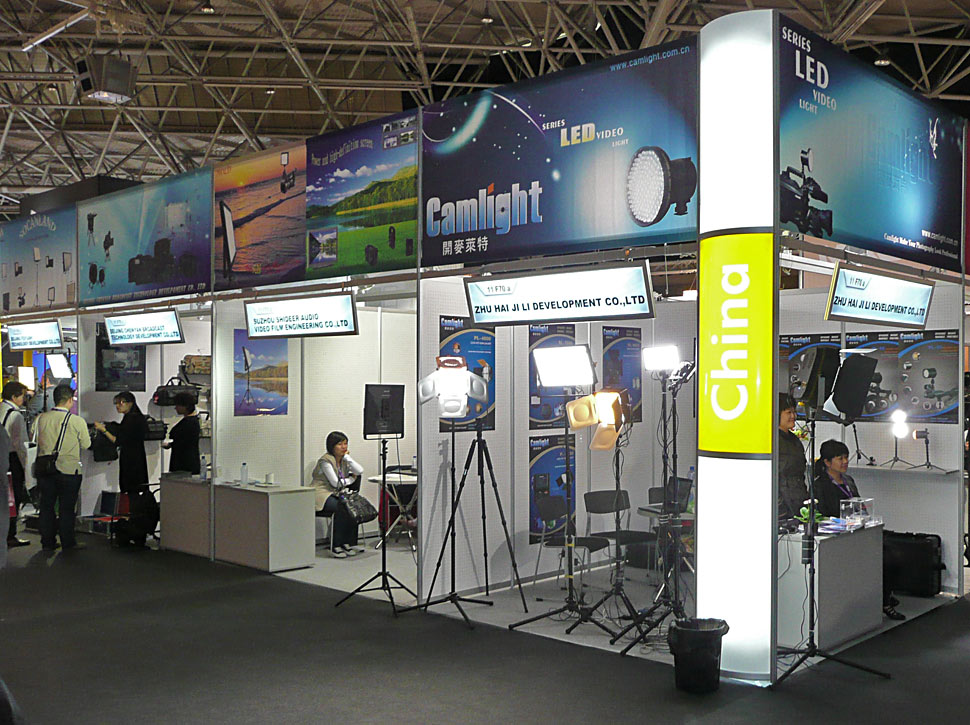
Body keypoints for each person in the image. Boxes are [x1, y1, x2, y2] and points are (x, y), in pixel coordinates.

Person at [813, 439, 905, 621]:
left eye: (846, 457)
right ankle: (884, 601)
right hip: (838, 537)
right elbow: (822, 514)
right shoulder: (819, 485)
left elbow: (859, 505)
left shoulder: (848, 480)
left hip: (858, 531)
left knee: (893, 556)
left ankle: (884, 595)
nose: (845, 462)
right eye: (840, 458)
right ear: (827, 462)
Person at [34, 384, 90, 551]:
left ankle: (47, 541)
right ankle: (68, 542)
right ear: (70, 400)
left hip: (45, 469)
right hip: (69, 470)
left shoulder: (41, 418)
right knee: (67, 508)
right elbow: (86, 444)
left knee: (46, 506)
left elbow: (33, 438)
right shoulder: (76, 421)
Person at [311, 431, 365, 558]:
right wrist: (351, 480)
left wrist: (348, 458)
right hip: (321, 493)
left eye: (345, 444)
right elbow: (336, 483)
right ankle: (336, 545)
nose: (344, 447)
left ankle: (348, 542)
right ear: (332, 446)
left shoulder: (345, 460)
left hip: (336, 493)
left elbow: (359, 471)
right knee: (342, 507)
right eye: (340, 444)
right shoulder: (325, 461)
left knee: (350, 506)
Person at [94, 391, 149, 495]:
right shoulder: (135, 417)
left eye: (121, 402)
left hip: (131, 459)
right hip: (137, 456)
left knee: (130, 488)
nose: (118, 405)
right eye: (117, 403)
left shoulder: (131, 419)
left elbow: (117, 441)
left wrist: (103, 430)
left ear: (130, 403)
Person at [1, 381, 30, 548]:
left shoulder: (1, 409)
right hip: (10, 459)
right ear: (14, 396)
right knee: (12, 497)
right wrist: (27, 466)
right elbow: (20, 444)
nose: (23, 399)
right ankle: (10, 535)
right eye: (22, 396)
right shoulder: (15, 415)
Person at [777, 393, 808, 519]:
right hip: (782, 508)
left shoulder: (795, 440)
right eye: (789, 412)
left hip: (798, 502)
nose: (793, 416)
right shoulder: (771, 441)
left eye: (794, 412)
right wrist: (780, 508)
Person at [162, 392, 200, 475]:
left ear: (185, 406)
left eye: (177, 405)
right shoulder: (191, 421)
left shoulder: (190, 423)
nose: (175, 408)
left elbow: (184, 442)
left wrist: (170, 444)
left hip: (185, 462)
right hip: (185, 460)